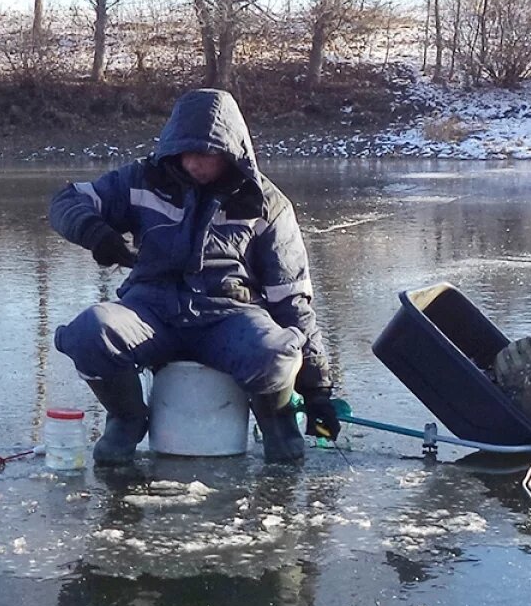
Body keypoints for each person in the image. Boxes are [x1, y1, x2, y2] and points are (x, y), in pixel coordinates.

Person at [48, 88, 340, 465]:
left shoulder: (267, 204)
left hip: (228, 316)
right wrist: (95, 233)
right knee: (89, 331)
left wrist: (317, 392)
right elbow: (66, 201)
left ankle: (277, 422)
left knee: (277, 350)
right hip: (149, 311)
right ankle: (126, 419)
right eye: (188, 151)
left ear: (232, 152)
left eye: (208, 154)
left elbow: (292, 299)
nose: (196, 163)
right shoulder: (140, 180)